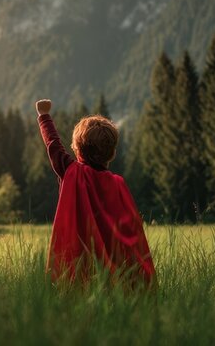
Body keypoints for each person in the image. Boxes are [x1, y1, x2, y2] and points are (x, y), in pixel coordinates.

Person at [36, 99, 155, 285]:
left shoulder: (73, 173)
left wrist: (44, 117)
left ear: (77, 148)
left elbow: (54, 146)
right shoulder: (118, 184)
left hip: (81, 262)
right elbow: (131, 234)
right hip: (115, 270)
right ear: (112, 153)